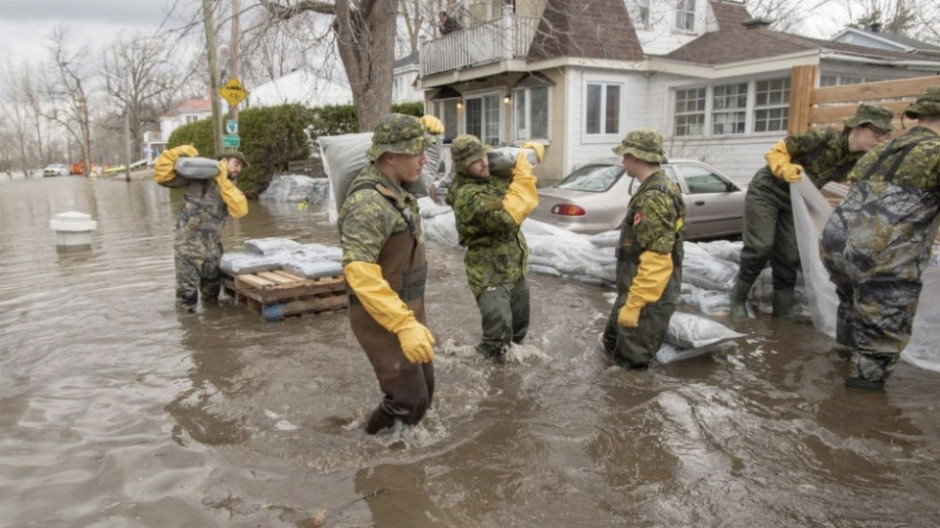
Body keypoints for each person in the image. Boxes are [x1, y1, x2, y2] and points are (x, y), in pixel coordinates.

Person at [820, 86, 940, 390]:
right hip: (882, 259)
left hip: (836, 247)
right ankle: (855, 415)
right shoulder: (935, 153)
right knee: (878, 341)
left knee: (851, 307)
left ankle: (840, 365)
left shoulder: (882, 150)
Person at [730, 103, 894, 319]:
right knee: (760, 247)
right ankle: (738, 298)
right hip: (767, 192)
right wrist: (785, 167)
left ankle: (782, 312)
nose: (881, 139)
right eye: (876, 133)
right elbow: (777, 151)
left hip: (796, 202)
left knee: (789, 256)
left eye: (885, 134)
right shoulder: (822, 139)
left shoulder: (859, 162)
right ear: (856, 128)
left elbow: (861, 189)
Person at [338, 113, 444, 434]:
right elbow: (360, 273)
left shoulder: (397, 185)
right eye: (416, 152)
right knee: (407, 400)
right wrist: (402, 325)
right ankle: (368, 453)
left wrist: (428, 134)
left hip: (407, 310)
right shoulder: (368, 203)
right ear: (389, 157)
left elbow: (430, 163)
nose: (424, 160)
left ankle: (400, 442)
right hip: (381, 316)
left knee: (425, 391)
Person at [445, 135, 543, 359]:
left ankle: (511, 379)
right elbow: (508, 217)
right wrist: (524, 178)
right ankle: (491, 384)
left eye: (484, 157)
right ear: (462, 166)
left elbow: (509, 169)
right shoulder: (467, 195)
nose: (484, 163)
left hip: (514, 266)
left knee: (518, 331)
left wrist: (526, 154)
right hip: (489, 272)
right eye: (476, 161)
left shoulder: (490, 177)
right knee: (497, 340)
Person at [602, 129, 686, 368]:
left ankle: (631, 403)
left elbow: (658, 260)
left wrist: (635, 304)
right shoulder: (654, 188)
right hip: (636, 290)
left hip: (648, 299)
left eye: (625, 156)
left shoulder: (654, 198)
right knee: (612, 348)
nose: (622, 161)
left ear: (636, 157)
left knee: (631, 366)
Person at [155, 146, 248, 311]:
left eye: (240, 166)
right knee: (186, 296)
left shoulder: (229, 188)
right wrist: (176, 152)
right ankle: (190, 330)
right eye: (236, 163)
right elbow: (162, 176)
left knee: (212, 295)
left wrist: (223, 181)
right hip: (188, 246)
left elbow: (240, 210)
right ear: (223, 161)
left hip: (213, 248)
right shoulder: (196, 179)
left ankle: (210, 329)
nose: (238, 169)